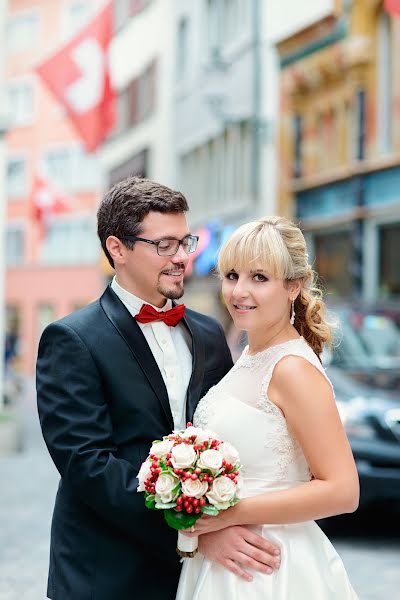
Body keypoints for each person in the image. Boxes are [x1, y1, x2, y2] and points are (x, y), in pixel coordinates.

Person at [36, 177, 280, 600]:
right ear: (118, 249)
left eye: (185, 242)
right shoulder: (71, 339)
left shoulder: (207, 334)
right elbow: (90, 466)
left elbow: (229, 436)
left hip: (201, 576)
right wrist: (193, 534)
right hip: (107, 573)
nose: (182, 257)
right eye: (165, 245)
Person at [177, 216, 360, 599]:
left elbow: (343, 490)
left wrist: (228, 516)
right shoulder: (250, 354)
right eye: (231, 275)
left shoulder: (292, 368)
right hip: (225, 563)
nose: (239, 291)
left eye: (259, 277)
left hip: (271, 568)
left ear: (293, 286)